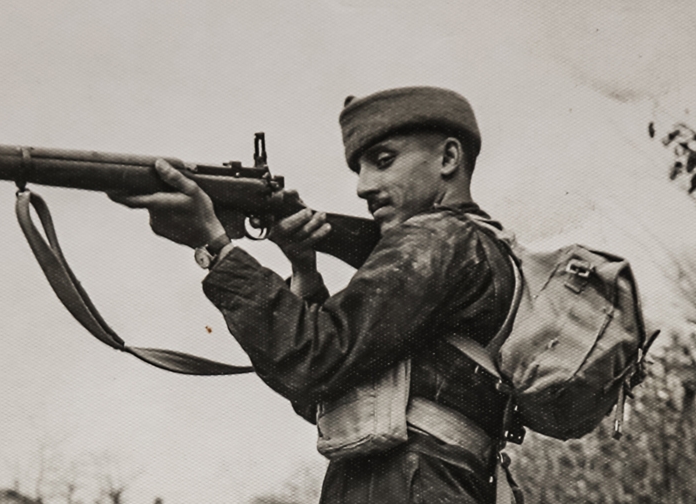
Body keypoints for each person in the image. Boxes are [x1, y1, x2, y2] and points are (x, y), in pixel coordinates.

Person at [109, 87, 516, 503]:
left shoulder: (436, 236)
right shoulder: (474, 245)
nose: (363, 186)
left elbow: (312, 363)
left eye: (383, 161)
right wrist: (304, 267)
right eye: (359, 169)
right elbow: (322, 397)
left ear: (448, 158)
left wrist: (215, 245)